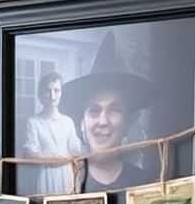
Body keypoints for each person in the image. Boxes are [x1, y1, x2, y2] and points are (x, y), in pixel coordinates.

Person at [63, 31, 159, 194]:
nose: (103, 121)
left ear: (128, 123)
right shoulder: (66, 185)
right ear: (82, 123)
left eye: (115, 110)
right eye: (94, 110)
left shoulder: (146, 186)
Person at [21, 73, 82, 195]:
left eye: (56, 91)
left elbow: (76, 151)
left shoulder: (67, 122)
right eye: (48, 91)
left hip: (66, 175)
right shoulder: (34, 122)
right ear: (40, 95)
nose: (52, 96)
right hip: (45, 176)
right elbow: (31, 154)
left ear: (61, 93)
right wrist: (59, 158)